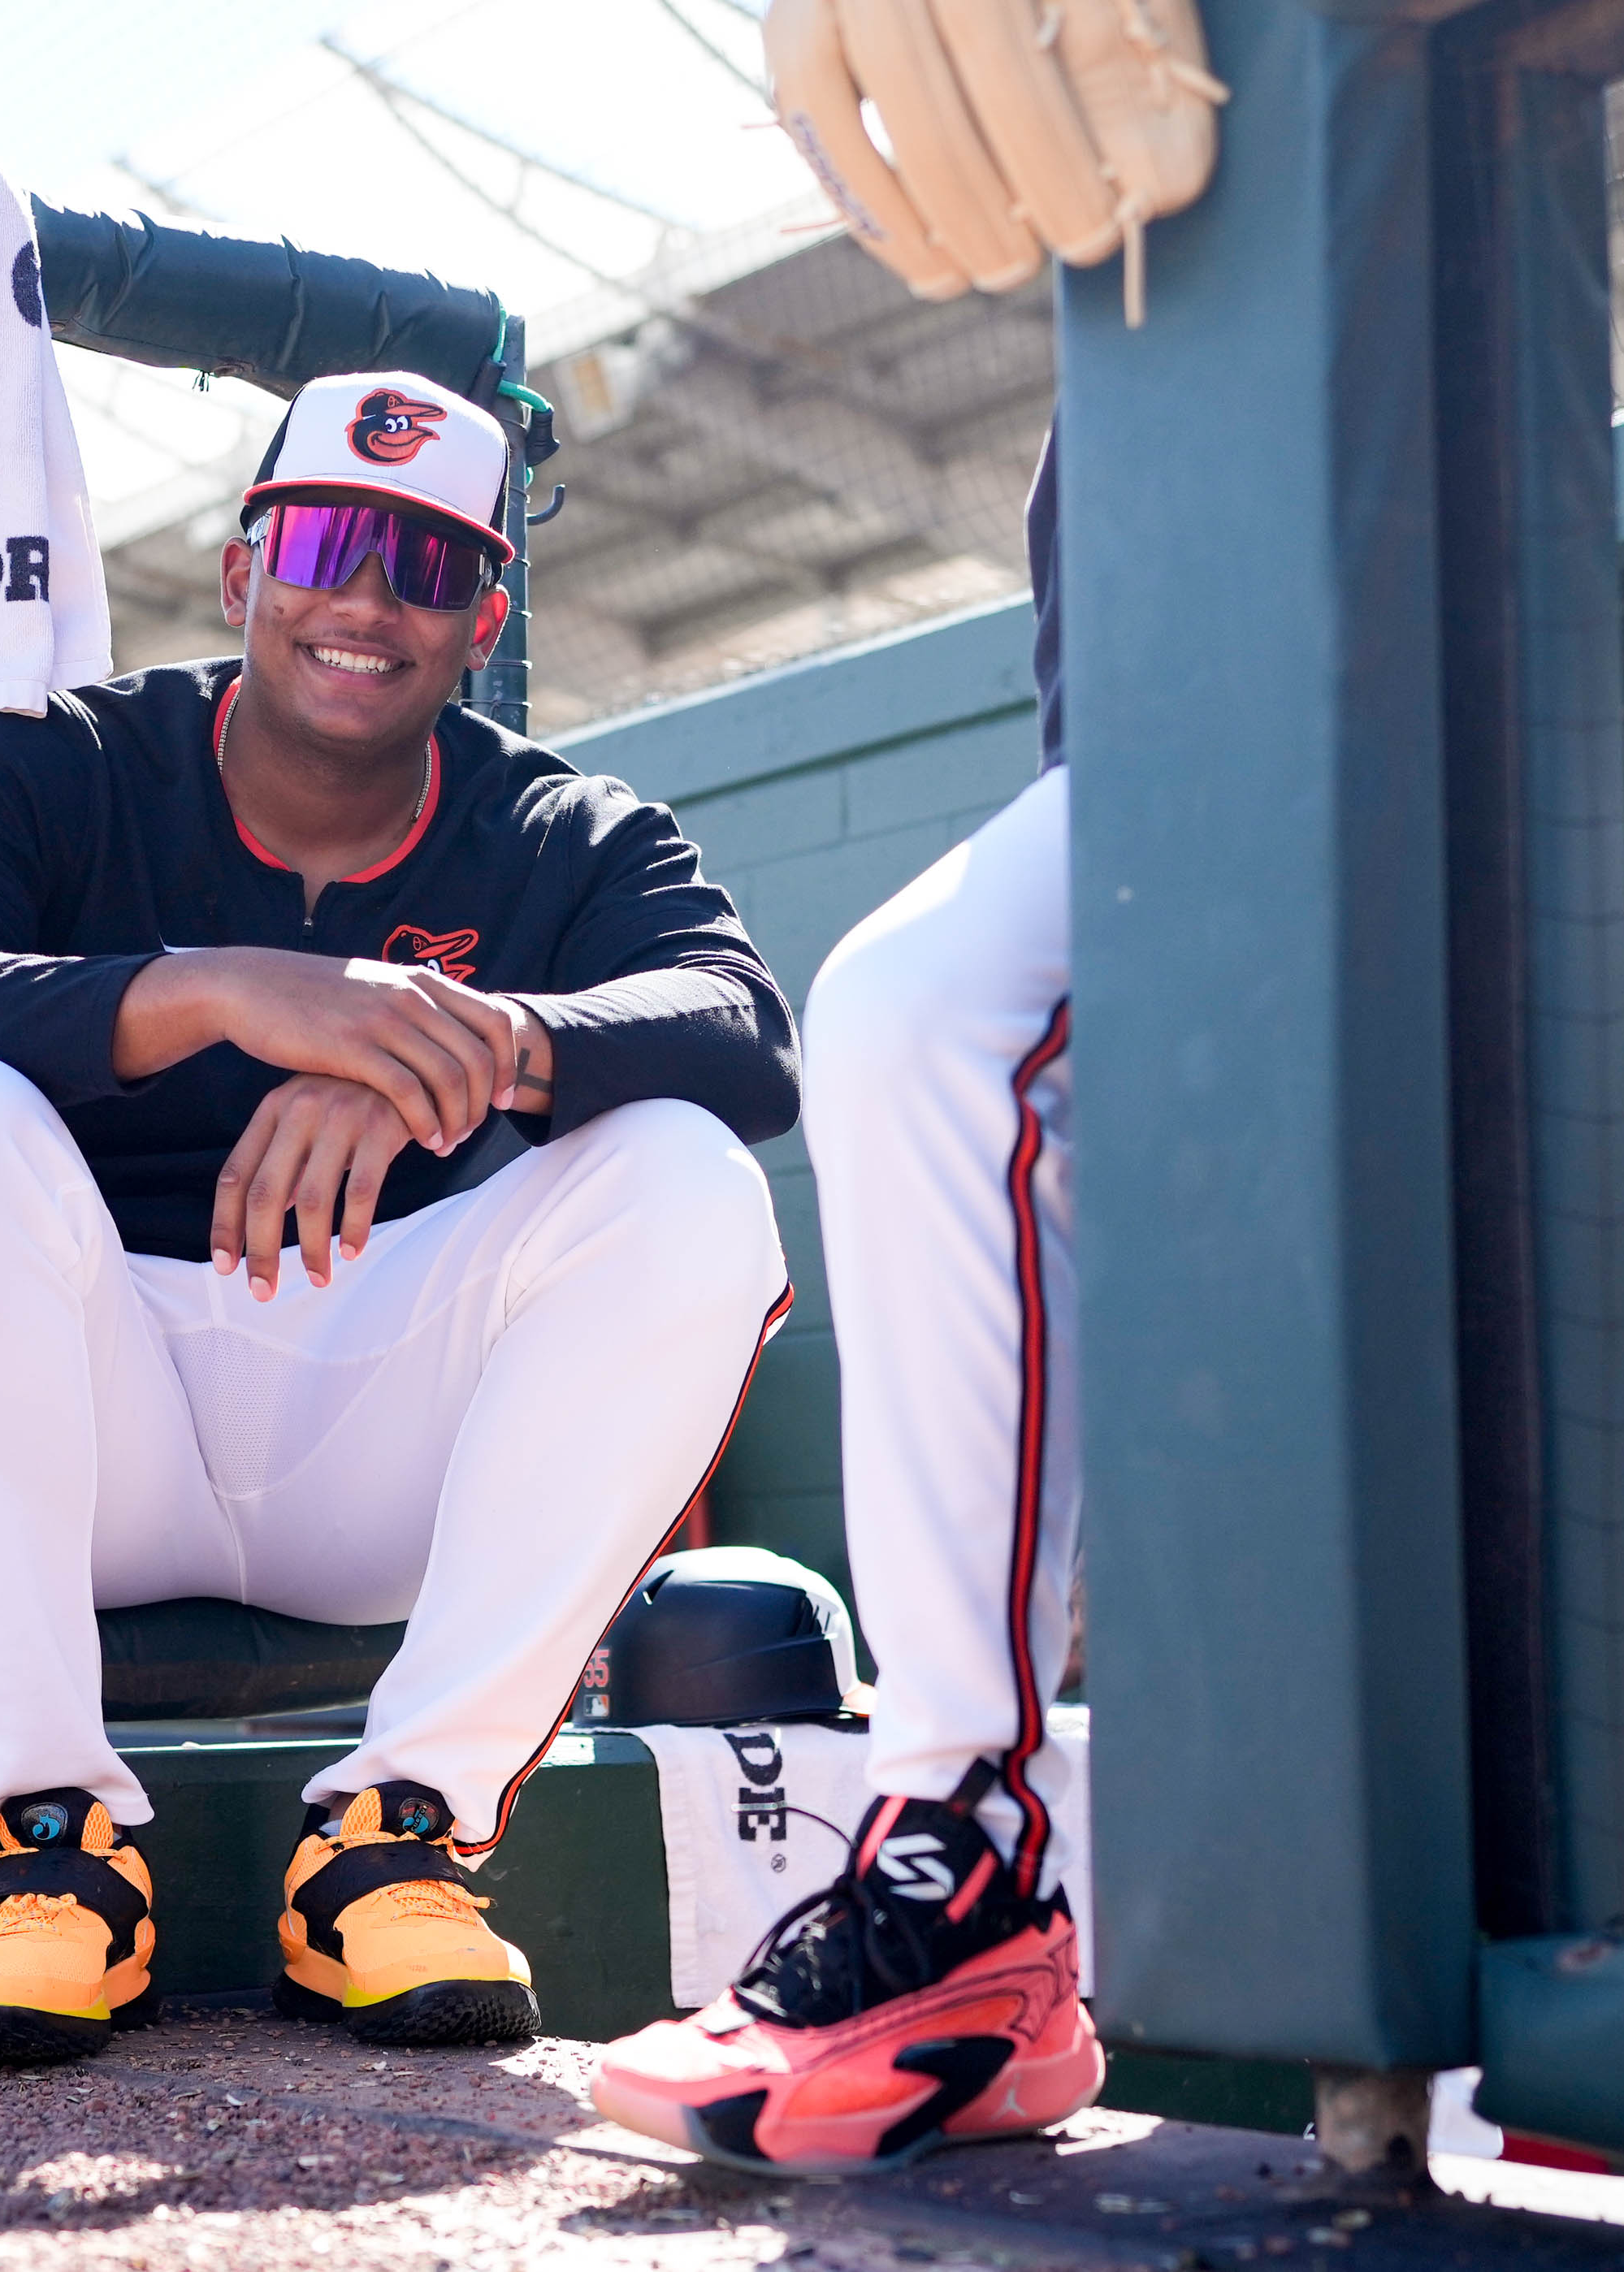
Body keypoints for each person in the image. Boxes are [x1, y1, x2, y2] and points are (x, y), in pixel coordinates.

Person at [0, 368, 799, 2069]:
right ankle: (52, 1843)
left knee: (690, 1177)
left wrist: (455, 1053)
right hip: (89, 1433)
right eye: (329, 541)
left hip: (365, 1429)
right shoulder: (45, 764)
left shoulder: (556, 823)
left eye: (426, 568)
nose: (367, 601)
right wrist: (234, 992)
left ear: (481, 621)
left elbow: (747, 1033)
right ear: (249, 567)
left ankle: (398, 1835)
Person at [589, 439, 1100, 2175]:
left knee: (923, 1006)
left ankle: (966, 1836)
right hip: (1145, 735)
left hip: (1365, 682)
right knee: (911, 1004)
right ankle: (970, 1879)